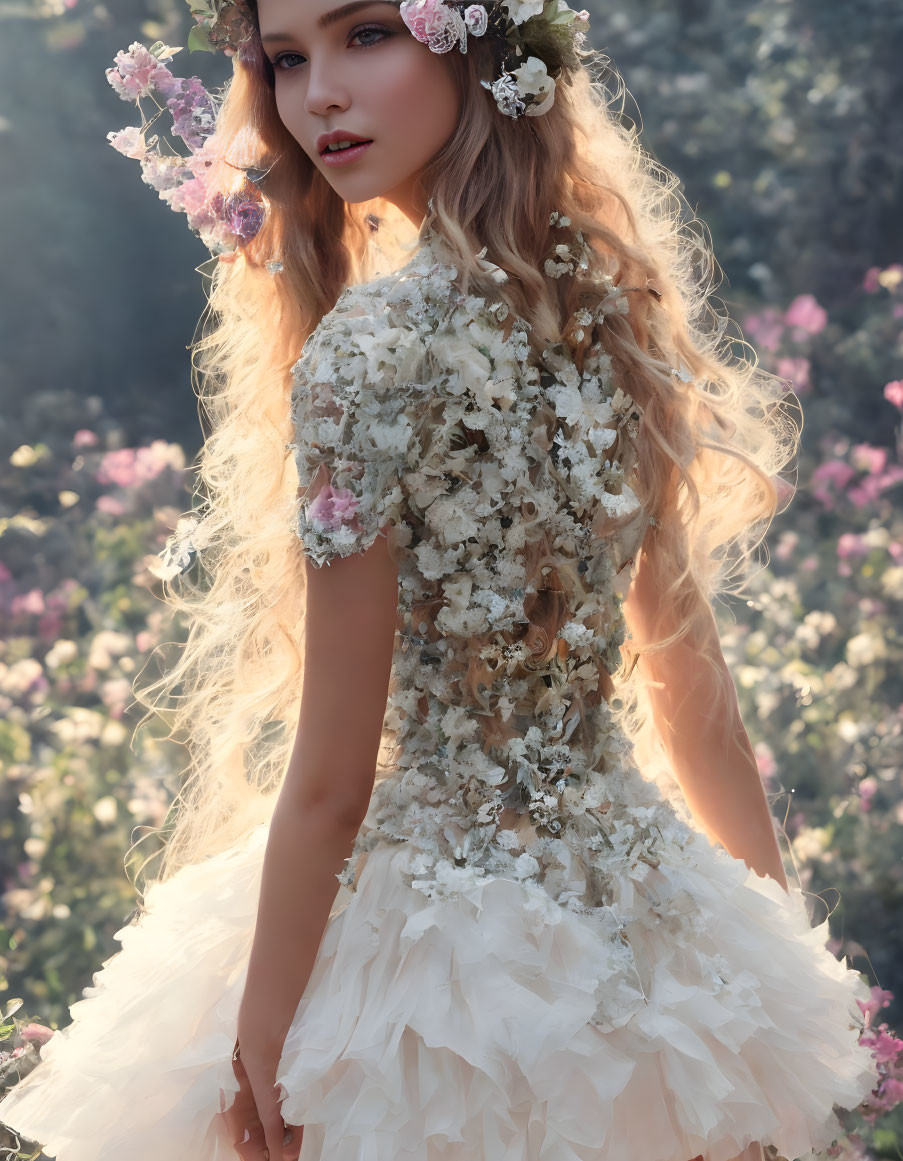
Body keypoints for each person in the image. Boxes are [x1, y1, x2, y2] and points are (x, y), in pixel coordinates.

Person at [0, 0, 881, 1158]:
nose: (317, 95)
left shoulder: (363, 357)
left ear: (472, 44)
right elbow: (693, 694)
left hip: (436, 953)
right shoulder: (610, 314)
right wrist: (774, 967)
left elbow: (330, 782)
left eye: (367, 33)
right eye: (283, 59)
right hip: (642, 930)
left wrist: (264, 1043)